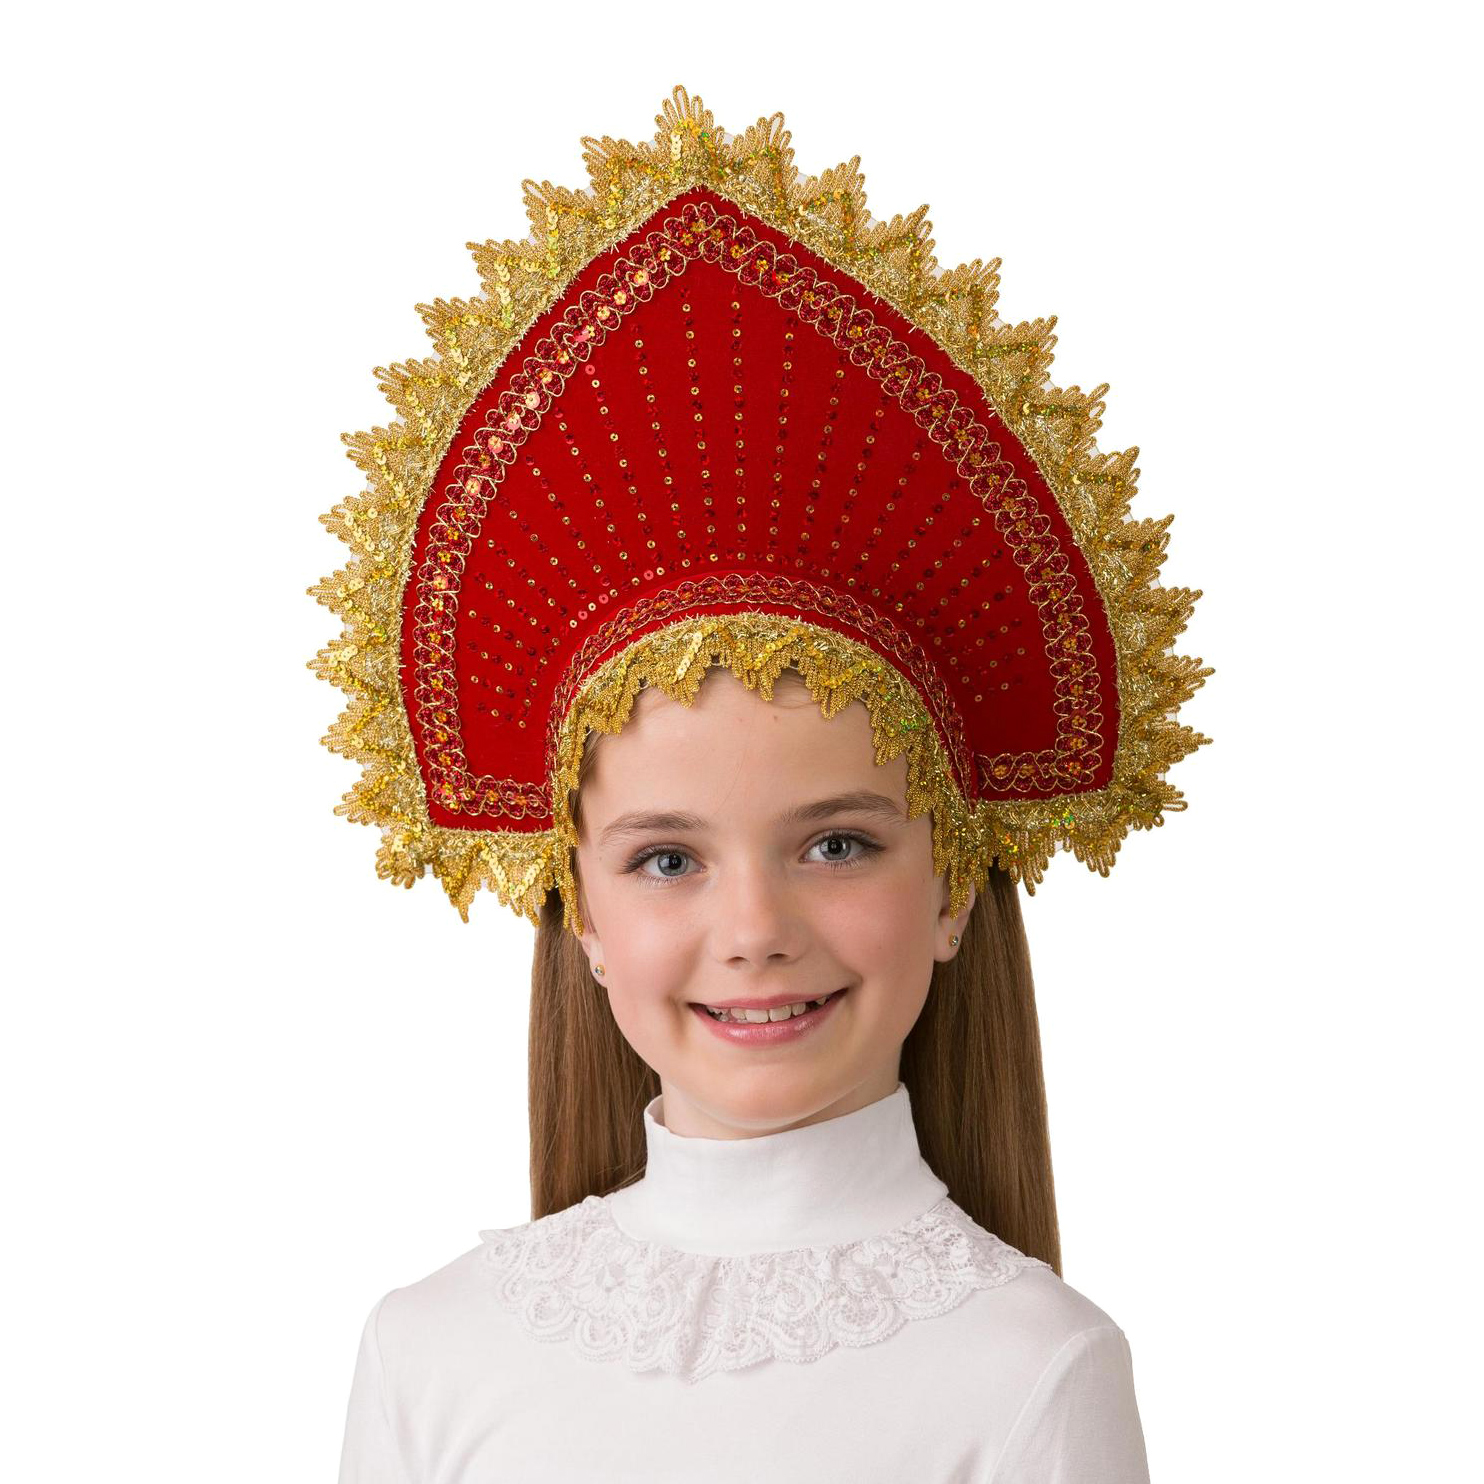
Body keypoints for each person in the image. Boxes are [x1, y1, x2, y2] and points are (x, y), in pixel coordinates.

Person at [315, 85, 1209, 1482]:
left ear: (954, 886)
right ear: (581, 911)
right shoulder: (434, 1350)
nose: (754, 930)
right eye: (667, 859)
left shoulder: (1029, 1368)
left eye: (836, 844)